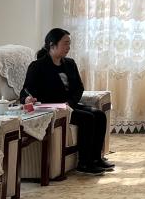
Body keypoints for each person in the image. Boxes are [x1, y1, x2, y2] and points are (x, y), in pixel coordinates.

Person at [21, 28, 113, 176]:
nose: (68, 47)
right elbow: (26, 91)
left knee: (100, 115)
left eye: (69, 44)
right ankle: (84, 163)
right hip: (54, 109)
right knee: (87, 118)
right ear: (52, 45)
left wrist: (70, 103)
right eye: (65, 43)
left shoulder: (70, 63)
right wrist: (27, 99)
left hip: (69, 105)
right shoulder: (37, 66)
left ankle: (96, 158)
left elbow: (79, 87)